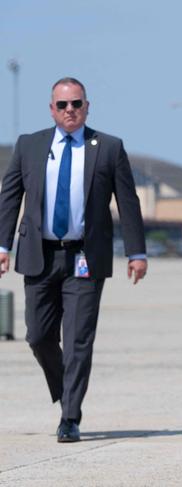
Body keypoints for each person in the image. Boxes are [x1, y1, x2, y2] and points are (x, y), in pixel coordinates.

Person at [0, 77, 147, 443]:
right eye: (63, 105)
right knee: (37, 335)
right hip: (39, 255)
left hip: (85, 257)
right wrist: (2, 247)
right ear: (52, 109)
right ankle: (65, 388)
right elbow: (9, 198)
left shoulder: (109, 148)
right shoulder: (29, 146)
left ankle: (70, 416)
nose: (70, 111)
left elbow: (127, 202)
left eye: (76, 104)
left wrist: (137, 252)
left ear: (87, 106)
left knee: (79, 339)